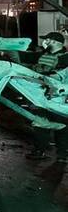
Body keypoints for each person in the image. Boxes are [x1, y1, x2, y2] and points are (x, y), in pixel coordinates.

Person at [23, 31, 68, 161]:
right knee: (40, 122)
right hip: (44, 94)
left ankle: (62, 154)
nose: (45, 42)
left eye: (47, 40)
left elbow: (62, 75)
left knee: (62, 125)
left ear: (54, 42)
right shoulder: (44, 54)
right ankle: (40, 150)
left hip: (60, 97)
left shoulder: (65, 58)